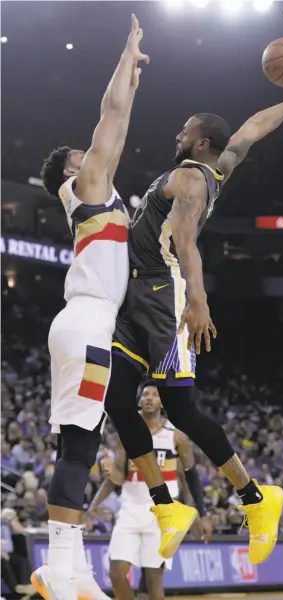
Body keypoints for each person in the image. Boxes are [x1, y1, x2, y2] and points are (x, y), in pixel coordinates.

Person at [103, 61, 283, 565]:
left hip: (163, 293)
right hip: (136, 297)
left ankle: (256, 499)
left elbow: (185, 242)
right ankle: (166, 507)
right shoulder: (218, 163)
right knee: (116, 397)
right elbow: (250, 131)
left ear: (199, 143)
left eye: (187, 129)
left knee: (181, 410)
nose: (178, 132)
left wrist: (197, 300)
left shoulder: (188, 179)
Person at [30, 15, 150, 600]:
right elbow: (112, 116)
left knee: (79, 444)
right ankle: (58, 566)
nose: (95, 149)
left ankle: (72, 570)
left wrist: (131, 78)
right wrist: (125, 57)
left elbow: (118, 123)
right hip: (87, 321)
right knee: (78, 445)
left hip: (84, 321)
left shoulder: (97, 191)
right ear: (73, 172)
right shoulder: (88, 187)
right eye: (87, 152)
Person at [90, 381, 212, 600]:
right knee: (117, 573)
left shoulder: (176, 435)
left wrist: (199, 514)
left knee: (154, 576)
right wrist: (95, 501)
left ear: (162, 402)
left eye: (154, 395)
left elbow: (189, 477)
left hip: (162, 512)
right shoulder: (126, 433)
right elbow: (119, 478)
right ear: (138, 400)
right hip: (130, 509)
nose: (148, 398)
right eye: (145, 394)